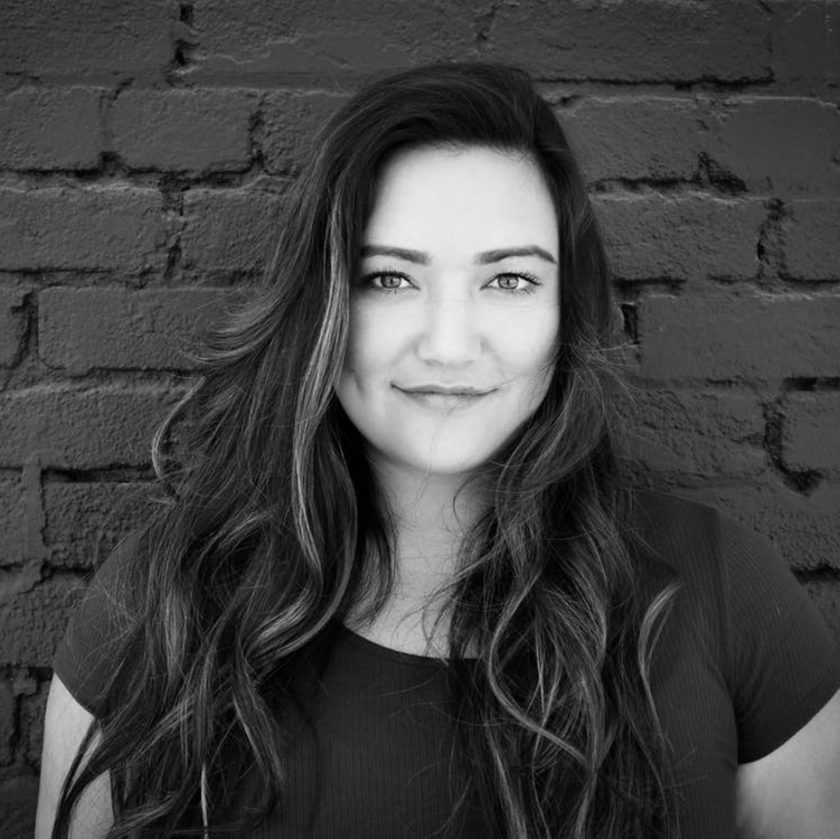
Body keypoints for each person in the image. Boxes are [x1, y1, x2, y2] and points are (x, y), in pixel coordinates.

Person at [36, 62, 840, 839]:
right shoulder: (161, 606)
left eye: (510, 280)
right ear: (320, 306)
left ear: (566, 312)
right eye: (389, 279)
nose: (450, 345)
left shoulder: (727, 595)